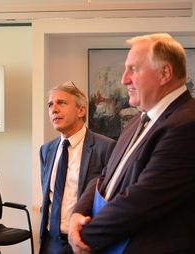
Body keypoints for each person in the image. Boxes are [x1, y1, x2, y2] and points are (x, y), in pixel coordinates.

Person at [68, 33, 195, 254]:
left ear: (165, 73)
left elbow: (142, 200)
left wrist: (83, 236)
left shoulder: (187, 124)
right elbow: (104, 176)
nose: (124, 79)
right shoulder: (138, 120)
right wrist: (77, 214)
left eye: (133, 69)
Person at [39, 82, 115, 254]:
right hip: (51, 243)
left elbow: (111, 201)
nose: (54, 109)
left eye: (61, 103)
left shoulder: (106, 148)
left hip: (86, 243)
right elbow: (48, 198)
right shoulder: (46, 150)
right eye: (50, 104)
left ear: (81, 111)